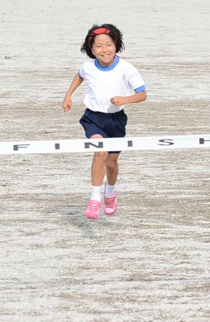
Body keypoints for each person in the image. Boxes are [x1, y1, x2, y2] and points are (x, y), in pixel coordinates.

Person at [62, 23, 147, 220]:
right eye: (98, 46)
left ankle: (110, 193)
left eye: (108, 44)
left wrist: (125, 99)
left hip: (116, 120)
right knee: (100, 152)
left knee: (111, 162)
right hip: (93, 118)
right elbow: (79, 76)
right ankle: (94, 198)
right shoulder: (88, 67)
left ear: (116, 45)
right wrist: (68, 96)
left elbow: (142, 94)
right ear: (91, 49)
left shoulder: (126, 68)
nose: (104, 50)